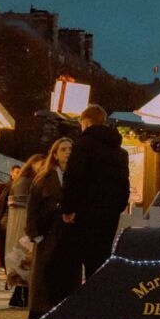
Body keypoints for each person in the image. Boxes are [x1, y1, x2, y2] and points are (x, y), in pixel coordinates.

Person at [59, 104, 129, 279]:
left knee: (71, 258)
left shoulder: (83, 145)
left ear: (86, 122)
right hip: (109, 213)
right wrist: (118, 207)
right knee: (100, 259)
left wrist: (68, 208)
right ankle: (98, 292)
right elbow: (123, 183)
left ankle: (76, 294)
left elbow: (73, 177)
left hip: (84, 212)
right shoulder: (119, 152)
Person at [24, 138, 77, 319]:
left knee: (68, 276)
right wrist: (34, 233)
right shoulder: (44, 177)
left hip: (69, 233)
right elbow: (33, 207)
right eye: (63, 149)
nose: (67, 152)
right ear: (55, 154)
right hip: (47, 233)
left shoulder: (77, 177)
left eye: (70, 149)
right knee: (42, 278)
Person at [5, 156, 44, 308]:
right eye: (40, 164)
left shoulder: (27, 181)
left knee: (25, 259)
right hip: (23, 226)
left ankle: (22, 296)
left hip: (25, 225)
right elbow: (22, 209)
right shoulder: (24, 182)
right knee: (23, 258)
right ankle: (20, 297)